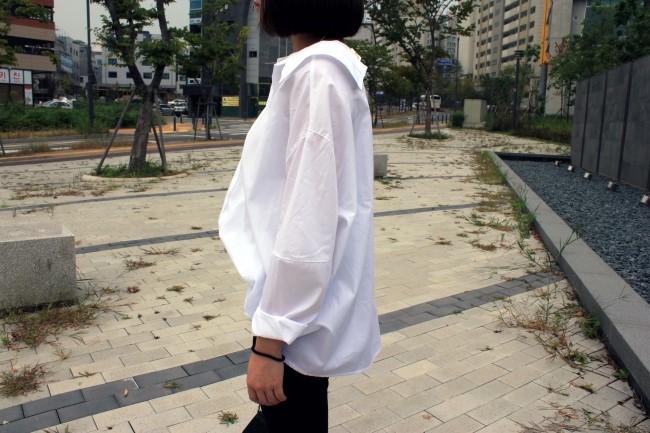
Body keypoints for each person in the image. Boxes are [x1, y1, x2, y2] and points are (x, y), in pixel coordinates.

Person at [217, 0, 381, 431]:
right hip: (301, 314)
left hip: (295, 326)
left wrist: (269, 345)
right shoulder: (322, 71)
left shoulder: (317, 74)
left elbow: (309, 219)